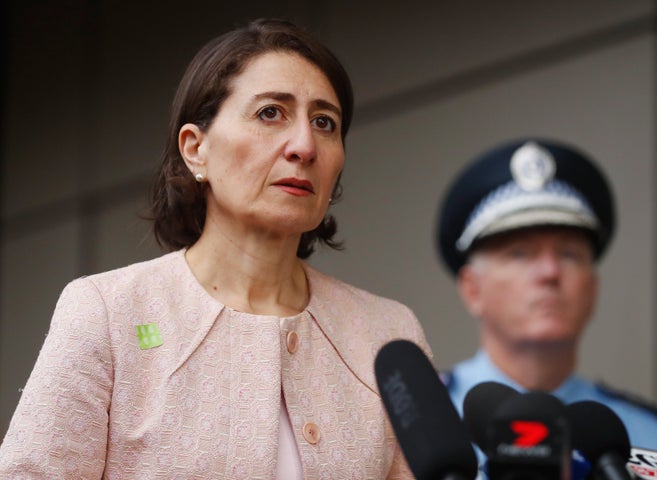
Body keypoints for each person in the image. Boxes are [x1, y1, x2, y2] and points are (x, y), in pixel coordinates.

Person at [0, 19, 430, 478]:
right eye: (271, 113)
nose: (305, 146)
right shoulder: (109, 313)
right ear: (195, 149)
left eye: (325, 123)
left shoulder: (388, 335)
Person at [436, 138, 657, 455]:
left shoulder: (649, 435)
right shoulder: (423, 423)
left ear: (593, 288)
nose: (550, 272)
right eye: (520, 254)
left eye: (569, 254)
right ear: (472, 289)